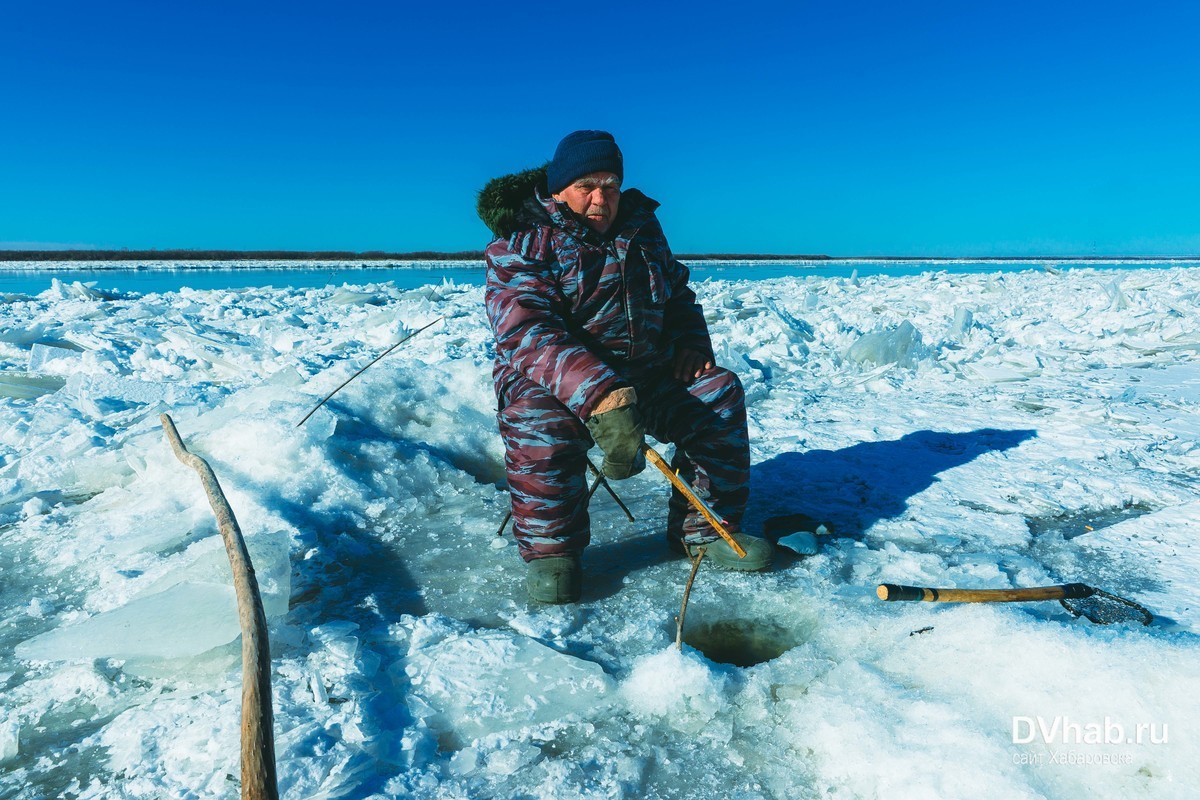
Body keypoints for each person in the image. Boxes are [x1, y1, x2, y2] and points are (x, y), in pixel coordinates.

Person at [477, 130, 772, 603]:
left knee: (717, 393)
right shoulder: (522, 241)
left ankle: (704, 530)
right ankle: (554, 553)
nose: (601, 198)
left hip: (646, 374)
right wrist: (602, 395)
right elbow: (526, 330)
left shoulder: (642, 229)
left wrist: (691, 344)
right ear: (559, 189)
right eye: (586, 186)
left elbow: (677, 294)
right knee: (538, 423)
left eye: (610, 185)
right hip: (551, 384)